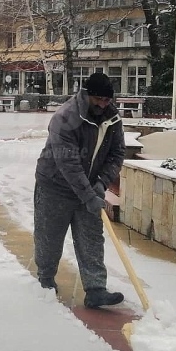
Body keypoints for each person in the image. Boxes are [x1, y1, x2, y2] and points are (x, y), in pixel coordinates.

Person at [33, 72, 126, 309]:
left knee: (92, 239)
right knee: (50, 235)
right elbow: (69, 164)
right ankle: (45, 279)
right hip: (55, 185)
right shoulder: (66, 118)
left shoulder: (112, 118)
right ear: (88, 94)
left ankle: (96, 289)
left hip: (90, 187)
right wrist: (88, 193)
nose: (103, 104)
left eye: (107, 100)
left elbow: (117, 154)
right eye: (99, 99)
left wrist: (100, 184)